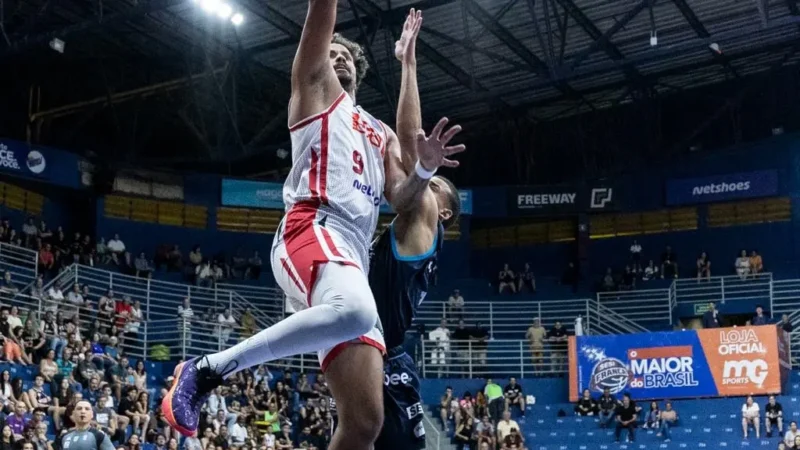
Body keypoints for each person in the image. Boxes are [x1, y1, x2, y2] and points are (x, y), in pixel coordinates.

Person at [162, 4, 462, 450]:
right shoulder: (315, 89)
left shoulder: (381, 133)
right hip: (311, 226)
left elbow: (401, 198)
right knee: (360, 311)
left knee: (365, 422)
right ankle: (206, 370)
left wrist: (424, 171)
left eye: (347, 55)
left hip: (350, 259)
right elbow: (321, 16)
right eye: (332, 51)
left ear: (358, 70)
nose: (338, 57)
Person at [336, 10, 461, 450]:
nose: (428, 186)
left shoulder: (425, 217)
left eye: (437, 187)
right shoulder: (410, 229)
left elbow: (410, 144)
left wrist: (408, 62)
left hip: (385, 354)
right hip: (375, 347)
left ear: (443, 212)